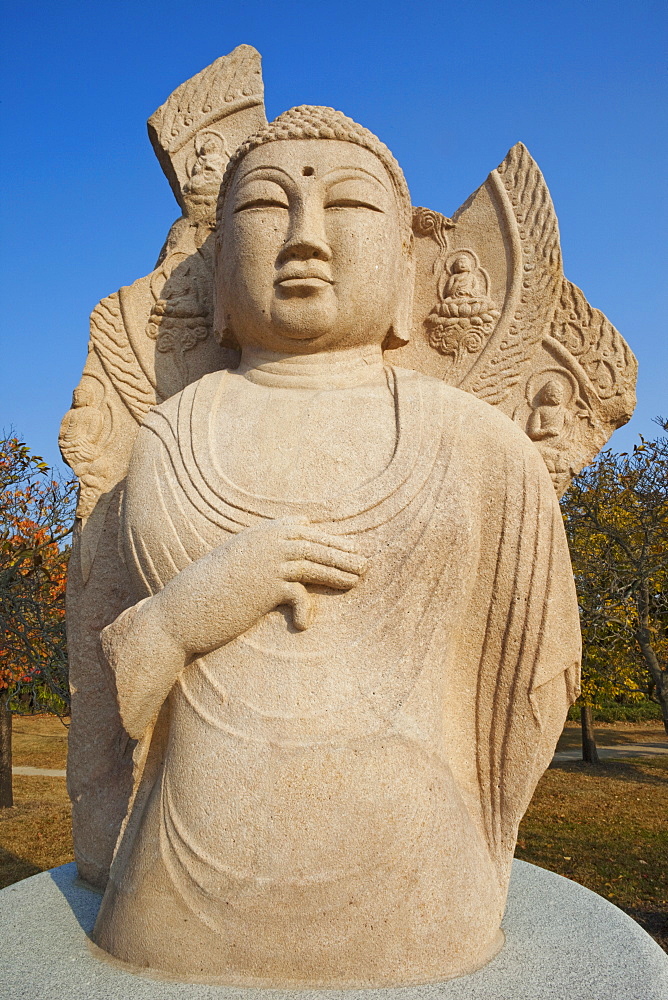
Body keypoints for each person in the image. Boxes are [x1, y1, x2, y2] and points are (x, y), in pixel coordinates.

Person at [93, 106, 580, 986]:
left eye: (348, 208)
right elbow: (120, 682)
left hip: (420, 878)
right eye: (264, 209)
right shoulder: (170, 438)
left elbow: (534, 686)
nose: (304, 237)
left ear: (406, 278)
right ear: (217, 277)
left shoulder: (479, 448)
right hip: (179, 878)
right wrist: (200, 604)